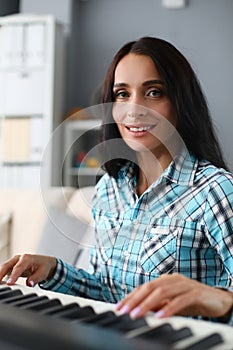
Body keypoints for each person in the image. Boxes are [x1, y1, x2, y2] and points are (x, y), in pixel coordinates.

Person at [0, 36, 233, 325]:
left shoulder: (216, 190)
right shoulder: (109, 190)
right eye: (122, 94)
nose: (134, 109)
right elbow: (108, 293)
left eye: (153, 92)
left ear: (181, 102)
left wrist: (221, 300)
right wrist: (53, 270)